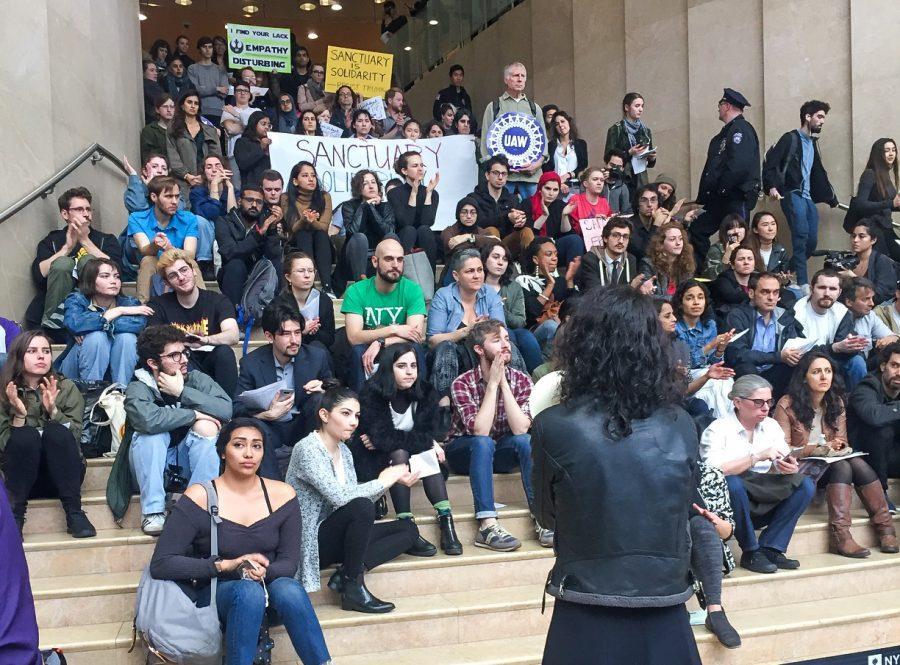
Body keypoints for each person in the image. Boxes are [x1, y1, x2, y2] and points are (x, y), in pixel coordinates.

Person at [532, 286, 701, 665]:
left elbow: (546, 516)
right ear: (654, 348)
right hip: (664, 602)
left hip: (586, 606)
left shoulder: (553, 426)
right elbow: (684, 503)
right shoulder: (683, 424)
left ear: (581, 345)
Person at [149, 418, 330, 665]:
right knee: (247, 592)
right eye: (239, 445)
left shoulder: (283, 494)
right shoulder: (200, 496)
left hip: (269, 591)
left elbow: (289, 563)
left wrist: (258, 572)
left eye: (256, 446)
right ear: (223, 452)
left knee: (289, 588)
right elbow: (161, 564)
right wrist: (228, 565)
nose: (248, 453)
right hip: (215, 595)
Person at [286, 382, 420, 612]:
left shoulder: (344, 451)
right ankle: (353, 586)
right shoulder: (307, 449)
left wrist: (390, 480)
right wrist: (384, 480)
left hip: (337, 533)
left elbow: (351, 497)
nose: (354, 422)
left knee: (408, 530)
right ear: (324, 415)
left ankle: (344, 573)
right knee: (362, 507)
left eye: (357, 415)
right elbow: (341, 498)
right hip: (310, 540)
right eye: (346, 414)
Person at [774, 351, 898, 558]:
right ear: (804, 377)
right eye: (816, 372)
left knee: (852, 462)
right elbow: (783, 450)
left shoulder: (836, 402)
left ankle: (885, 529)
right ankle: (842, 535)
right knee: (843, 465)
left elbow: (842, 442)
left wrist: (838, 447)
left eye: (828, 371)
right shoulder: (786, 404)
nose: (824, 377)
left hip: (829, 466)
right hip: (799, 468)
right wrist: (816, 449)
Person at [446, 320, 551, 550]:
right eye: (496, 340)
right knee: (483, 443)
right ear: (479, 350)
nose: (506, 345)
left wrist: (503, 383)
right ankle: (487, 525)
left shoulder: (522, 380)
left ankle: (543, 519)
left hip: (501, 450)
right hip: (464, 452)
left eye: (506, 339)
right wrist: (492, 384)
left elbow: (521, 429)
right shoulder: (462, 383)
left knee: (525, 441)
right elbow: (480, 430)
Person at [353, 344, 463, 556]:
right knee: (400, 452)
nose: (410, 371)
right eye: (401, 366)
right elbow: (385, 438)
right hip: (376, 458)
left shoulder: (426, 391)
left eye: (413, 365)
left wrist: (422, 442)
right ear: (388, 368)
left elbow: (425, 436)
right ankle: (406, 523)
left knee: (423, 451)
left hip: (411, 453)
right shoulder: (372, 391)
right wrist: (419, 441)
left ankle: (446, 520)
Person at [700, 374, 815, 574]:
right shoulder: (718, 429)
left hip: (762, 493)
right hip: (732, 503)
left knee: (804, 484)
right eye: (758, 402)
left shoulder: (771, 426)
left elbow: (780, 460)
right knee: (733, 483)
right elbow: (711, 471)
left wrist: (787, 466)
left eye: (769, 401)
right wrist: (756, 457)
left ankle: (771, 547)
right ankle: (751, 551)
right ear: (737, 402)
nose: (765, 407)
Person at [125, 325, 231, 535]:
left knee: (207, 427)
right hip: (151, 468)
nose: (183, 360)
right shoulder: (138, 387)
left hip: (185, 464)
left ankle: (199, 507)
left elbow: (226, 409)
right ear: (153, 363)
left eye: (184, 352)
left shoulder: (196, 379)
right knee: (152, 435)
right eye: (174, 355)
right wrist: (192, 415)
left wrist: (182, 392)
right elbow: (148, 420)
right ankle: (153, 512)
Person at [0, 331, 94, 538]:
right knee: (26, 436)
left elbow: (76, 436)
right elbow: (3, 444)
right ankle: (15, 515)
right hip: (20, 480)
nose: (41, 356)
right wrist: (19, 416)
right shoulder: (3, 391)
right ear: (18, 356)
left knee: (56, 431)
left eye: (46, 351)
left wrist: (53, 412)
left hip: (62, 477)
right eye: (32, 351)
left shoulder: (65, 388)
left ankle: (75, 513)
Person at [235, 303, 332, 475]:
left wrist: (324, 389)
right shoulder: (251, 363)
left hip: (303, 423)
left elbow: (334, 388)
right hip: (270, 426)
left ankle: (320, 476)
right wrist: (266, 415)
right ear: (269, 336)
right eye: (286, 334)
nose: (294, 340)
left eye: (297, 332)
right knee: (254, 426)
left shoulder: (316, 356)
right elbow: (237, 408)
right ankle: (274, 489)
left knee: (320, 402)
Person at [763, 100, 839, 289]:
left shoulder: (812, 144)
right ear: (807, 117)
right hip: (791, 193)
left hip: (807, 198)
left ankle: (782, 272)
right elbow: (771, 162)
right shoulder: (790, 138)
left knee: (811, 242)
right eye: (819, 116)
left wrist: (831, 197)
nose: (822, 121)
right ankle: (804, 283)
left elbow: (818, 172)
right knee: (801, 235)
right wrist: (772, 187)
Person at [26, 187, 121, 333]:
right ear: (65, 213)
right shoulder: (52, 240)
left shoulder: (106, 240)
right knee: (63, 263)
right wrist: (66, 249)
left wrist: (84, 240)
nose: (86, 214)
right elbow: (39, 275)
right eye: (79, 209)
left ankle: (87, 320)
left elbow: (118, 271)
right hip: (55, 308)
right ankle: (54, 327)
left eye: (88, 209)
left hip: (94, 310)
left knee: (88, 261)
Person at [148, 249, 240, 396]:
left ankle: (229, 409)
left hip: (212, 360)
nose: (181, 277)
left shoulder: (217, 300)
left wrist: (205, 340)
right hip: (180, 362)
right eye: (173, 275)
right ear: (167, 283)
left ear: (194, 271)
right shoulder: (158, 305)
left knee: (225, 352)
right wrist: (184, 342)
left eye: (184, 270)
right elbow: (155, 342)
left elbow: (233, 335)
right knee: (177, 357)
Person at [340, 239, 427, 392]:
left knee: (416, 349)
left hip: (396, 348)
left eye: (400, 259)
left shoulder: (412, 289)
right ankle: (362, 408)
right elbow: (353, 337)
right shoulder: (357, 291)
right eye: (389, 259)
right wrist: (394, 329)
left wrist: (381, 341)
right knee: (357, 351)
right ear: (375, 261)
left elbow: (416, 334)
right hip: (366, 350)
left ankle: (420, 406)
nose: (395, 264)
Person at [690, 88, 761, 264]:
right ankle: (711, 268)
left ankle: (737, 276)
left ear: (727, 105)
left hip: (735, 195)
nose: (718, 109)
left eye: (720, 105)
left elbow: (739, 166)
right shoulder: (724, 134)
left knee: (739, 238)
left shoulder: (741, 129)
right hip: (719, 197)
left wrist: (721, 188)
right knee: (697, 229)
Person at [427, 249, 507, 394]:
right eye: (470, 271)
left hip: (481, 351)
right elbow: (433, 341)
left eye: (480, 270)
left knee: (508, 345)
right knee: (447, 347)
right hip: (448, 355)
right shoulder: (443, 296)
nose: (477, 276)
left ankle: (518, 395)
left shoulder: (490, 294)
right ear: (456, 276)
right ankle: (444, 404)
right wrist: (467, 330)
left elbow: (501, 332)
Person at [59, 258, 149, 385]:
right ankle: (91, 395)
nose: (113, 281)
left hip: (116, 369)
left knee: (127, 338)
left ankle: (121, 393)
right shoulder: (76, 299)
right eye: (105, 276)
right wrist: (113, 314)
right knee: (96, 338)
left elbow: (138, 325)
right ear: (90, 280)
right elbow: (74, 324)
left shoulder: (130, 303)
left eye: (116, 277)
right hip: (77, 370)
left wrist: (95, 324)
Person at [725, 272, 803, 399]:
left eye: (775, 292)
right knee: (746, 368)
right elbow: (737, 354)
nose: (771, 297)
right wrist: (778, 357)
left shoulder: (784, 316)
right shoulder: (738, 315)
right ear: (751, 294)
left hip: (774, 371)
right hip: (746, 372)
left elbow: (793, 344)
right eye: (765, 292)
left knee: (798, 367)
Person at [127, 176, 203, 303]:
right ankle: (142, 306)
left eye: (177, 196)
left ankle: (203, 306)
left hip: (178, 263)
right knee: (147, 260)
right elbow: (144, 250)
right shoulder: (137, 218)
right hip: (154, 264)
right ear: (154, 197)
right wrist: (155, 244)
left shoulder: (189, 218)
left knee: (191, 263)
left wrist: (169, 249)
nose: (175, 201)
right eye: (168, 196)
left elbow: (190, 254)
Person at [480, 62, 547, 199]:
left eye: (523, 76)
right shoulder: (494, 107)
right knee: (503, 216)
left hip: (530, 178)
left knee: (533, 216)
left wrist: (538, 164)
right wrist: (497, 168)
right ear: (506, 79)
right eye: (516, 75)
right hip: (504, 178)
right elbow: (485, 142)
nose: (520, 79)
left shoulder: (535, 108)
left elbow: (543, 141)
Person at [793, 269, 868, 388]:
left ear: (839, 292)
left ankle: (857, 403)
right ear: (812, 289)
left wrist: (853, 346)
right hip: (804, 364)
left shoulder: (841, 312)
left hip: (833, 362)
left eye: (833, 289)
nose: (827, 293)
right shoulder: (796, 311)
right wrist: (835, 348)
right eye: (822, 287)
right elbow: (799, 353)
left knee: (857, 362)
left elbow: (846, 350)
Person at [673, 279, 737, 418]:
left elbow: (713, 361)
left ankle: (720, 423)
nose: (696, 302)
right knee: (716, 383)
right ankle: (725, 423)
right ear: (680, 302)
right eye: (690, 298)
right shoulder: (675, 327)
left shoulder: (710, 325)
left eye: (700, 297)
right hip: (686, 374)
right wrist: (710, 346)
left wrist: (720, 348)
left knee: (726, 380)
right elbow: (686, 363)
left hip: (707, 370)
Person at [849, 341, 900, 513]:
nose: (899, 373)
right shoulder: (867, 386)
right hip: (865, 460)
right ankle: (880, 494)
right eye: (895, 365)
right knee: (882, 430)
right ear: (883, 366)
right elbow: (874, 416)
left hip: (892, 457)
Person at [215, 184, 284, 307]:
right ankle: (233, 317)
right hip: (231, 276)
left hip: (259, 274)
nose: (254, 205)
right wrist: (259, 234)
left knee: (277, 264)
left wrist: (272, 229)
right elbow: (229, 252)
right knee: (236, 264)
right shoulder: (224, 221)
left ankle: (275, 311)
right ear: (239, 201)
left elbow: (273, 255)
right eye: (249, 200)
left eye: (259, 202)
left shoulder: (265, 223)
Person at [482, 243, 543, 372]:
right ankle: (513, 377)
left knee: (527, 336)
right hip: (483, 330)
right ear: (484, 259)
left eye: (504, 259)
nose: (500, 262)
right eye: (495, 257)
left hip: (512, 328)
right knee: (509, 336)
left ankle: (537, 377)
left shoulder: (514, 287)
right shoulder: (476, 284)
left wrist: (500, 308)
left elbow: (520, 321)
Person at [516, 237, 580, 356]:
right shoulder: (524, 281)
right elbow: (531, 314)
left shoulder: (561, 281)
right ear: (536, 259)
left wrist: (570, 280)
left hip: (562, 325)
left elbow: (574, 307)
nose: (554, 258)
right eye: (549, 254)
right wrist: (550, 285)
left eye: (555, 254)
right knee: (551, 326)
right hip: (536, 332)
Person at [336, 170, 397, 288]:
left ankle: (392, 284)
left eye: (373, 182)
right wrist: (364, 206)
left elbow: (389, 232)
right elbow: (353, 231)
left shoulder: (385, 207)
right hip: (355, 255)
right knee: (359, 237)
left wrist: (372, 208)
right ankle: (361, 285)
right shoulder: (349, 206)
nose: (370, 186)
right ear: (358, 189)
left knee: (392, 238)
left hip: (379, 255)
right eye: (365, 183)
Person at [285, 161, 335, 297]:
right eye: (305, 175)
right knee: (303, 234)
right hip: (297, 243)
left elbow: (324, 227)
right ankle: (309, 285)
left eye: (313, 175)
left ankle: (327, 287)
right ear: (295, 181)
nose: (311, 179)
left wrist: (312, 221)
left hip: (321, 242)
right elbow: (293, 228)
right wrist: (304, 220)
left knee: (320, 234)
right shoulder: (286, 198)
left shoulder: (325, 196)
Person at [471, 155, 531, 262]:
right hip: (483, 247)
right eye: (495, 173)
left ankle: (531, 273)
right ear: (487, 175)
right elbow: (479, 223)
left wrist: (519, 222)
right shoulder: (474, 198)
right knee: (492, 231)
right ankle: (491, 268)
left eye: (504, 174)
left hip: (507, 245)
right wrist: (507, 217)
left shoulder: (512, 199)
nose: (500, 177)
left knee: (526, 231)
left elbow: (516, 228)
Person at [849, 138, 900, 261]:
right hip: (874, 228)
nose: (891, 153)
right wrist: (890, 203)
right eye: (887, 150)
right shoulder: (870, 174)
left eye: (894, 150)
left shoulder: (886, 175)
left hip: (886, 227)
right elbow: (860, 204)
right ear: (878, 154)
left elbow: (888, 205)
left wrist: (895, 205)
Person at [386, 150, 439, 269]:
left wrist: (429, 193)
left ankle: (430, 277)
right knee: (409, 230)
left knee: (424, 230)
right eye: (415, 166)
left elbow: (427, 222)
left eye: (421, 165)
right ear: (404, 170)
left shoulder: (432, 193)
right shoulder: (394, 193)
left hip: (423, 238)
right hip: (403, 237)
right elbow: (406, 222)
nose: (420, 169)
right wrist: (413, 193)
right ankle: (402, 273)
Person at [520, 172, 583, 268]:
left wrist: (564, 215)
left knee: (575, 240)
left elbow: (568, 234)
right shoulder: (528, 203)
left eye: (555, 190)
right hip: (534, 248)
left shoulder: (560, 205)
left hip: (554, 248)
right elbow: (529, 233)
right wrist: (544, 216)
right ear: (540, 189)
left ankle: (573, 279)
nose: (551, 193)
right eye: (547, 188)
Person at [166, 90, 223, 194]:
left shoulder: (209, 130)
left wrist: (204, 176)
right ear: (182, 105)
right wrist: (187, 175)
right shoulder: (173, 128)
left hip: (208, 180)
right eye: (189, 102)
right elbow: (173, 156)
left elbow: (216, 156)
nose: (193, 106)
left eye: (196, 103)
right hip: (182, 181)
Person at [604, 92, 657, 196]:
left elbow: (650, 164)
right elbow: (607, 157)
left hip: (641, 177)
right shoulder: (616, 129)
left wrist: (652, 157)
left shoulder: (646, 131)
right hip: (622, 177)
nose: (640, 109)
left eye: (642, 106)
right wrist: (629, 152)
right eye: (637, 106)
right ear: (627, 107)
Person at [576, 217, 646, 292]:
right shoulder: (590, 260)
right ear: (605, 238)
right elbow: (595, 295)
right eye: (616, 235)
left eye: (625, 237)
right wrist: (630, 288)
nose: (621, 241)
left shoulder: (630, 259)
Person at [841, 276, 899, 363]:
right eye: (866, 299)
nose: (872, 303)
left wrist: (891, 338)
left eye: (872, 298)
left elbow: (893, 337)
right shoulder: (837, 316)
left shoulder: (870, 316)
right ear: (849, 302)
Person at [440, 196, 496, 283]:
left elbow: (496, 243)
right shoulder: (448, 231)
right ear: (458, 214)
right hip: (454, 277)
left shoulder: (482, 232)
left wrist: (468, 237)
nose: (469, 216)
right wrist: (480, 242)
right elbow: (456, 248)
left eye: (473, 212)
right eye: (464, 212)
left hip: (479, 276)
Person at [844, 219, 898, 306]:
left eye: (861, 236)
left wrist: (854, 277)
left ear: (873, 240)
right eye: (853, 236)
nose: (855, 240)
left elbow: (881, 296)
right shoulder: (848, 260)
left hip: (874, 311)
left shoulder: (882, 261)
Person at [638, 221, 695, 300]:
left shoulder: (686, 262)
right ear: (661, 243)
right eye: (672, 239)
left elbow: (689, 292)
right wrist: (678, 300)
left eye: (681, 239)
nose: (678, 243)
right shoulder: (648, 264)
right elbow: (647, 296)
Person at [562, 166, 612, 256]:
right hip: (580, 245)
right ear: (585, 184)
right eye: (595, 179)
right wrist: (593, 221)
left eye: (602, 180)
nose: (599, 183)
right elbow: (571, 231)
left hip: (601, 246)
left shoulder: (604, 202)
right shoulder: (575, 200)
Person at [709, 244, 757, 323]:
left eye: (750, 259)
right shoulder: (722, 280)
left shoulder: (758, 279)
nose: (746, 262)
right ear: (732, 265)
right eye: (741, 259)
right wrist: (758, 294)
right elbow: (732, 297)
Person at [187, 36, 228, 126]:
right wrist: (216, 89)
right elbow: (196, 91)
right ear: (199, 49)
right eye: (204, 47)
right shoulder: (192, 68)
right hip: (199, 110)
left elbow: (224, 92)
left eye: (210, 47)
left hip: (218, 112)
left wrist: (205, 89)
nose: (207, 49)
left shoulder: (220, 70)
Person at [546, 111, 588, 196]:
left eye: (563, 121)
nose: (560, 125)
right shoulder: (550, 146)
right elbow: (547, 168)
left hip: (575, 187)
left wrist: (568, 175)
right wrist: (558, 182)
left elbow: (583, 165)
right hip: (555, 187)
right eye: (557, 124)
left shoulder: (581, 143)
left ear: (569, 122)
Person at [189, 154, 236, 222]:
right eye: (209, 167)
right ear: (204, 172)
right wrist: (214, 185)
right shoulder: (196, 193)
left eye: (218, 166)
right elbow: (212, 214)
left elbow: (234, 219)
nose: (214, 170)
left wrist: (230, 188)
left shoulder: (233, 191)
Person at [233, 111, 272, 188]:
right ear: (254, 124)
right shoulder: (242, 142)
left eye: (269, 125)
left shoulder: (271, 144)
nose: (267, 127)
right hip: (251, 186)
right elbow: (243, 164)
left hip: (270, 186)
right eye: (263, 124)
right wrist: (261, 147)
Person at [702, 214, 747, 280]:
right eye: (731, 228)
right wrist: (727, 254)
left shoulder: (749, 245)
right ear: (725, 232)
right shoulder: (716, 249)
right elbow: (710, 277)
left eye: (740, 227)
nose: (736, 231)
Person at [749, 211, 791, 278]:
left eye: (773, 224)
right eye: (765, 225)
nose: (771, 228)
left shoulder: (781, 251)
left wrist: (785, 280)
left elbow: (785, 276)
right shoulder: (748, 250)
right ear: (755, 229)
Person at [141, 93, 176, 162]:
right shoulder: (150, 130)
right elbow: (147, 156)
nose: (169, 110)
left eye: (172, 107)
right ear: (157, 109)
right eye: (165, 106)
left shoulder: (180, 129)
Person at [602, 148, 632, 214]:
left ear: (623, 168)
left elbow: (625, 211)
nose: (615, 169)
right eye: (612, 165)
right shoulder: (597, 181)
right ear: (605, 164)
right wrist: (600, 180)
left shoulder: (623, 187)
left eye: (619, 167)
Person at [143, 60, 165, 125]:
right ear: (143, 72)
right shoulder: (150, 85)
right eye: (152, 70)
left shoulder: (153, 85)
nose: (156, 73)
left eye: (156, 71)